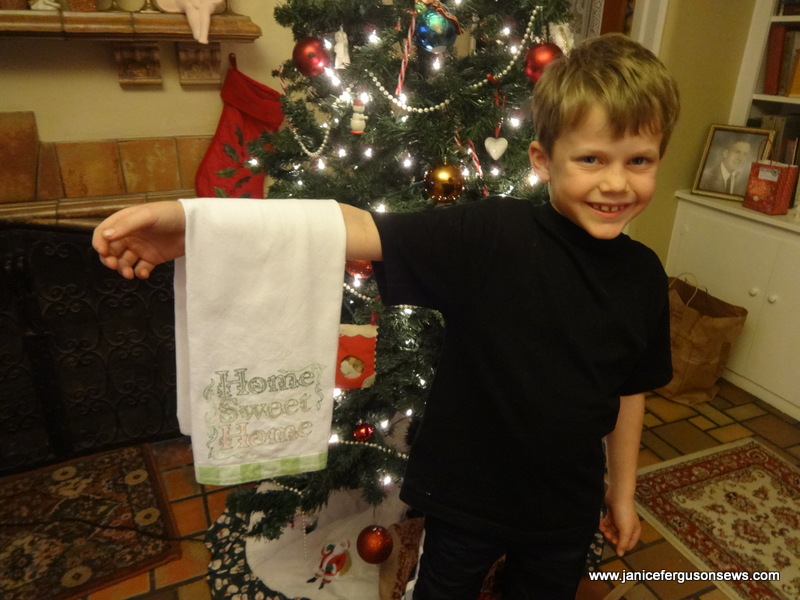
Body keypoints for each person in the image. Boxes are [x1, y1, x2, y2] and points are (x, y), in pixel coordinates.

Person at [93, 33, 679, 600]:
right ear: (543, 160)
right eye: (591, 158)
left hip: (565, 510)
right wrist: (193, 224)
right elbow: (357, 226)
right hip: (466, 502)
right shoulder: (491, 235)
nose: (615, 183)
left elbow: (631, 392)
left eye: (639, 161)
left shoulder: (645, 276)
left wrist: (621, 495)